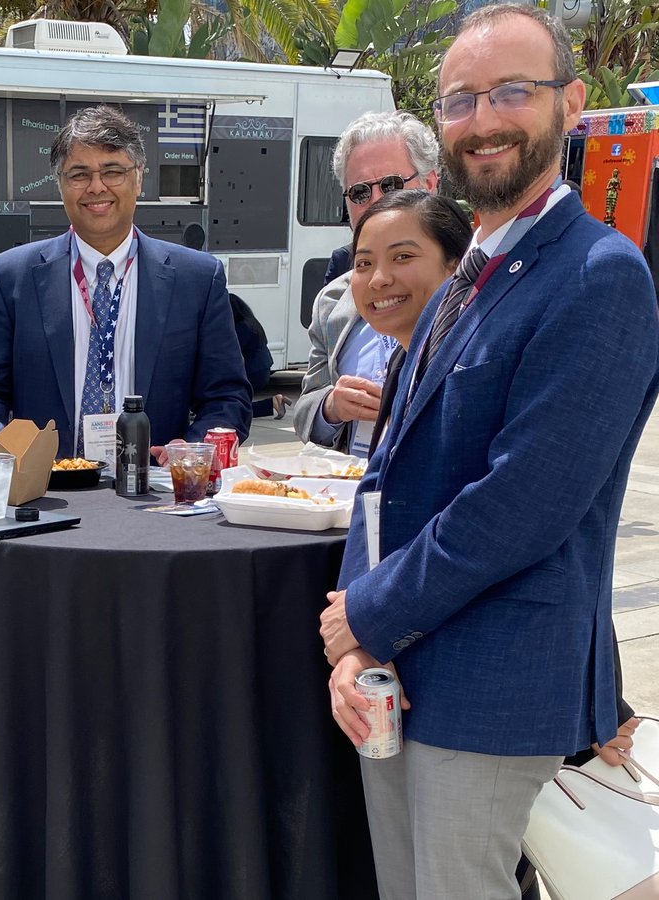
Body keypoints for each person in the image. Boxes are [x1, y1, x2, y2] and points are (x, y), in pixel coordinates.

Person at [320, 5, 659, 897]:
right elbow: (386, 474)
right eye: (461, 99)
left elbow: (523, 504)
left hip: (492, 689)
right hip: (397, 673)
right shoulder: (467, 272)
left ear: (572, 103)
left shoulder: (599, 276)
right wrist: (357, 639)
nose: (484, 118)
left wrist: (366, 615)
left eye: (513, 90)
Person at [0, 104, 252, 459]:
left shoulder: (197, 280)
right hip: (47, 497)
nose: (96, 187)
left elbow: (228, 398)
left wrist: (190, 450)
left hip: (154, 494)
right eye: (79, 174)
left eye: (112, 171)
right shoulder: (9, 279)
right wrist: (11, 453)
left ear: (139, 177)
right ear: (61, 184)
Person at [290, 111, 440, 458]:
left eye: (390, 185)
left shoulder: (468, 290)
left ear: (430, 184)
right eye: (359, 192)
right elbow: (304, 410)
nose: (376, 202)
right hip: (347, 496)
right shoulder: (334, 300)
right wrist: (331, 408)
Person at [346, 191, 471, 449]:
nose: (378, 278)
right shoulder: (403, 363)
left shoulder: (469, 368)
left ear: (456, 265)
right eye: (364, 263)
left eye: (402, 257)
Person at [228, 292, 287, 419]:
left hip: (253, 372)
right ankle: (274, 402)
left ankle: (273, 403)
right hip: (261, 369)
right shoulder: (251, 323)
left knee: (234, 410)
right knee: (236, 406)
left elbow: (233, 353)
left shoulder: (241, 328)